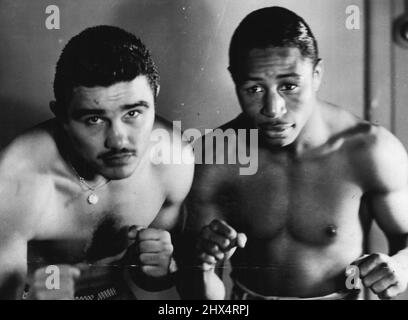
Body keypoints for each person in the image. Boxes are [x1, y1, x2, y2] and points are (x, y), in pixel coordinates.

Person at [178, 6, 408, 300]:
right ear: (235, 81)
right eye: (254, 89)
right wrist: (201, 269)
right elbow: (200, 297)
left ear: (316, 74)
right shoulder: (214, 157)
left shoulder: (369, 150)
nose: (273, 109)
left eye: (289, 85)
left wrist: (400, 266)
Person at [0, 25, 194, 299]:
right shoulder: (15, 179)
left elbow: (151, 281)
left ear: (155, 97)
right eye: (94, 119)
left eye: (133, 113)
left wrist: (160, 268)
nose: (118, 140)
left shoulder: (173, 161)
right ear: (63, 118)